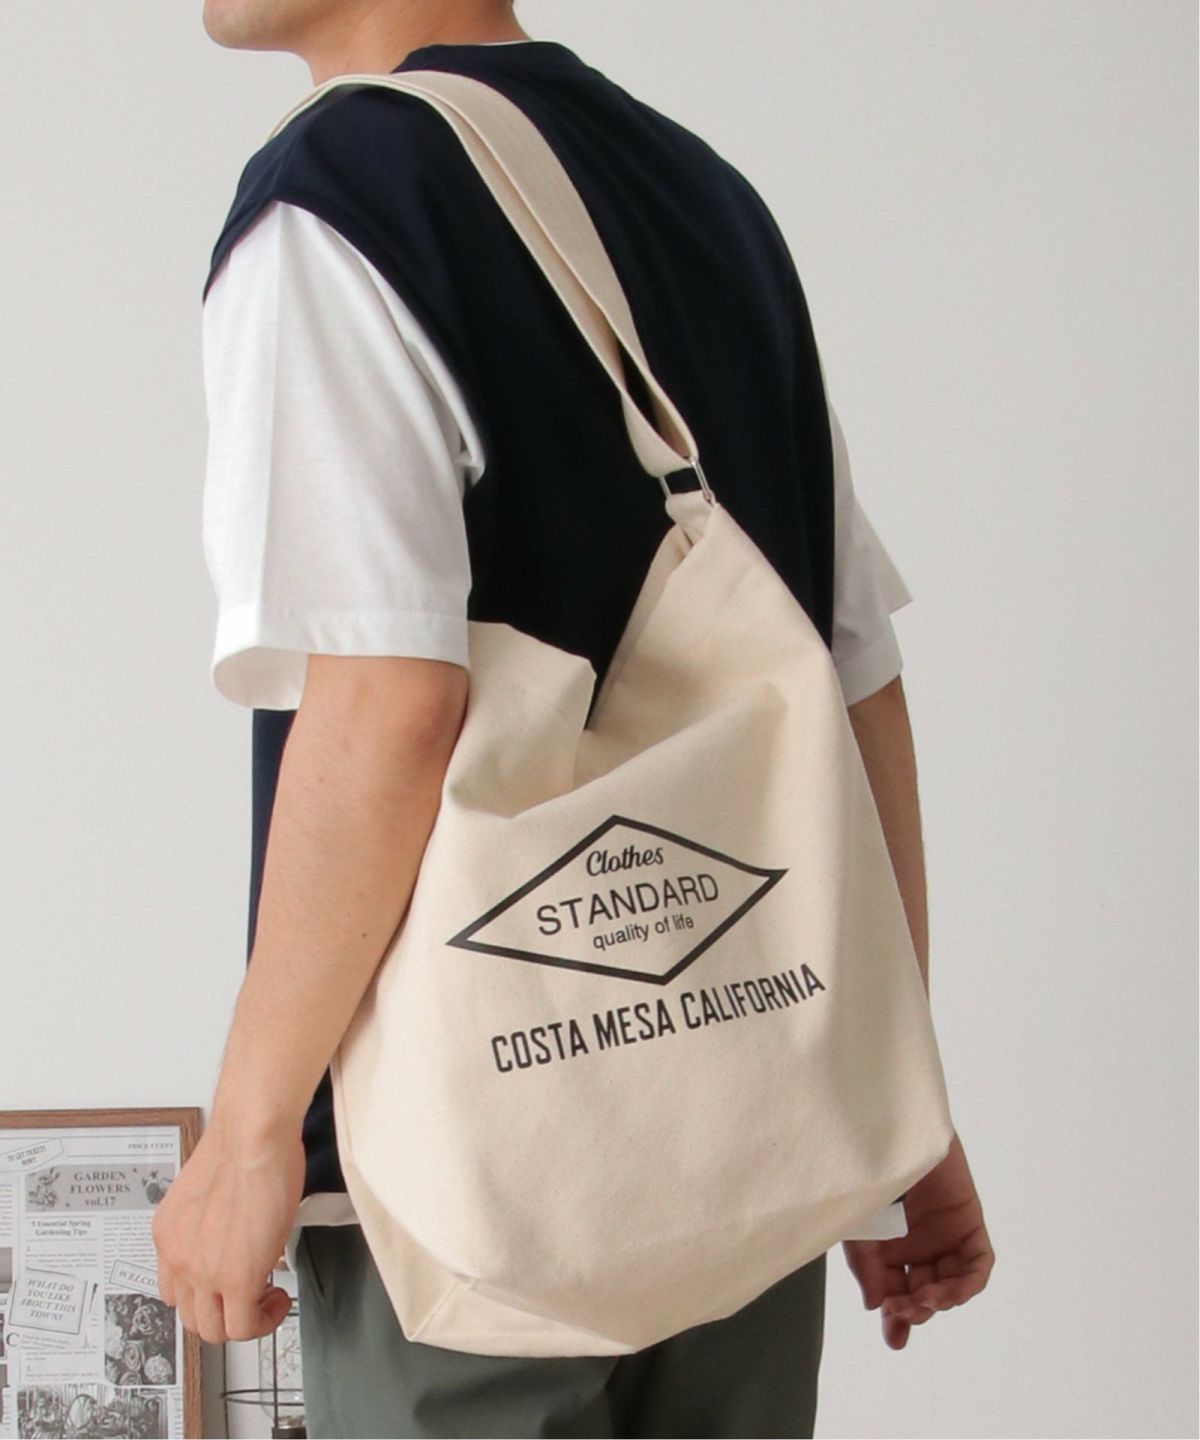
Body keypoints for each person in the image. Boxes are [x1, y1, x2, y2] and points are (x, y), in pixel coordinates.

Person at [152, 2, 995, 1436]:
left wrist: (245, 1138)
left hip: (472, 1177)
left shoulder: (341, 195)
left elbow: (386, 701)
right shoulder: (705, 196)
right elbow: (852, 679)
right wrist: (898, 1103)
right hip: (754, 1130)